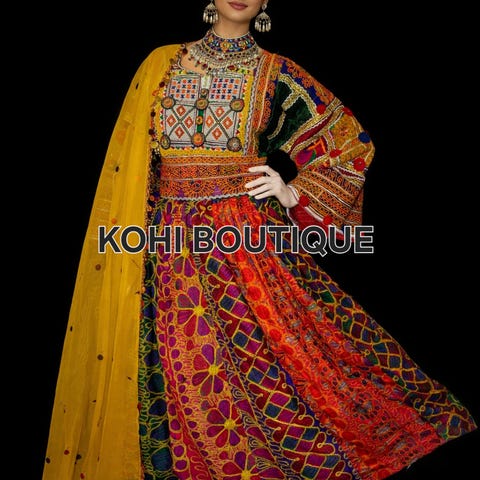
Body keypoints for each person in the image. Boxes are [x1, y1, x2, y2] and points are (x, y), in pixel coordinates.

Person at [42, 1, 477, 479]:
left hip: (245, 243)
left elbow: (350, 143)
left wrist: (292, 192)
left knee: (280, 358)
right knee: (169, 363)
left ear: (266, 3)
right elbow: (132, 159)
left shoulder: (277, 73)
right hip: (164, 246)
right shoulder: (161, 64)